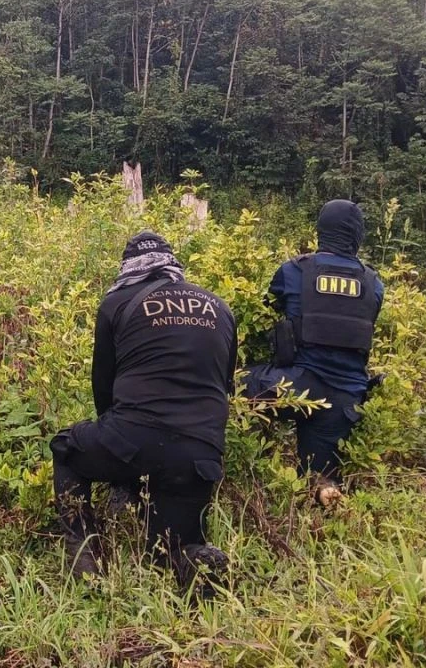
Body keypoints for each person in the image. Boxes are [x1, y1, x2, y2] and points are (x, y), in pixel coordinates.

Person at [50, 231, 237, 593]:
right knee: (167, 548)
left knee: (67, 450)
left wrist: (123, 463)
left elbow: (104, 391)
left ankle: (85, 557)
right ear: (173, 264)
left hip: (135, 436)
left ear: (128, 267)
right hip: (201, 455)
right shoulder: (220, 307)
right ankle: (189, 556)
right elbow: (224, 387)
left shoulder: (117, 302)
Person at [244, 199, 384, 506]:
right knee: (319, 482)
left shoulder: (293, 271)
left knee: (227, 383)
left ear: (321, 231)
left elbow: (264, 309)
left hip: (293, 384)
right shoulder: (374, 284)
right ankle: (324, 492)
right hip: (345, 399)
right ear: (357, 235)